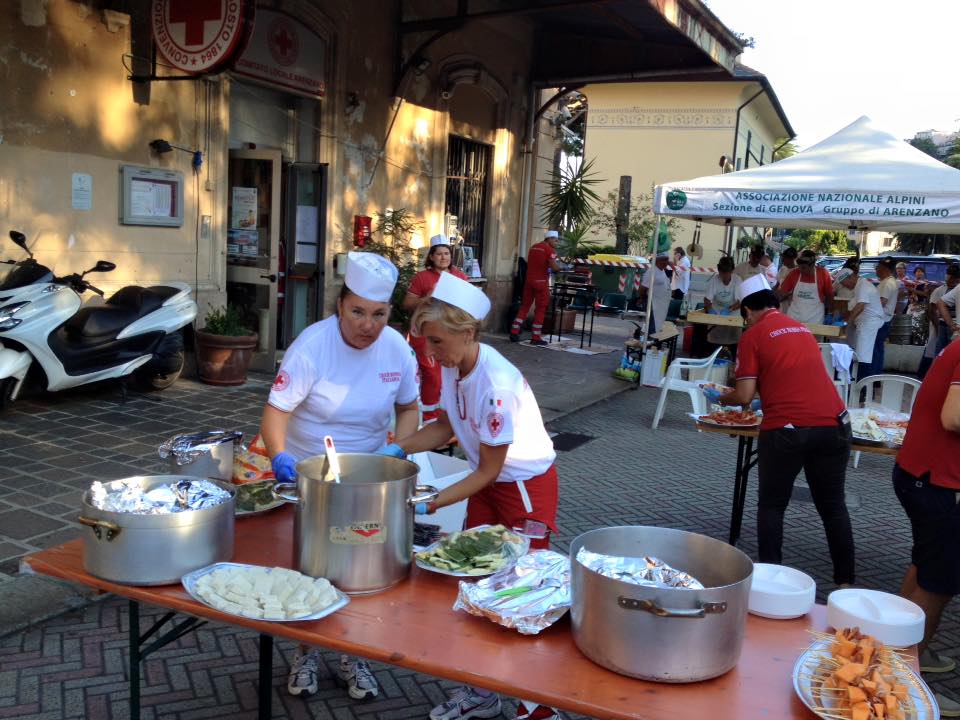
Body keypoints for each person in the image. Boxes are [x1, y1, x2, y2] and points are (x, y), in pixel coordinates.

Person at [384, 272, 560, 720]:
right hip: (490, 482)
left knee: (520, 594)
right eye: (426, 341)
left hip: (522, 489)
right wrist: (396, 447)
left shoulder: (496, 386)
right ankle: (482, 690)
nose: (431, 352)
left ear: (467, 333)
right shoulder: (453, 365)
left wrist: (432, 501)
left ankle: (536, 706)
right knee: (472, 583)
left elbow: (488, 468)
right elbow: (445, 425)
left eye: (438, 341)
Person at [261, 251, 420, 700]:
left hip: (371, 477)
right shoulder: (312, 345)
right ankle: (307, 652)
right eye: (357, 312)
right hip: (312, 474)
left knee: (364, 572)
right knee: (314, 570)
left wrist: (398, 448)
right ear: (340, 305)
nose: (367, 325)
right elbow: (275, 413)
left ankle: (358, 655)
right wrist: (280, 457)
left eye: (378, 314)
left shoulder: (396, 349)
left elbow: (410, 409)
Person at [704, 273, 855, 588]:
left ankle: (772, 580)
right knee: (833, 506)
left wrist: (720, 395)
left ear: (747, 310)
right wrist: (764, 401)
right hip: (834, 424)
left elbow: (743, 395)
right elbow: (794, 379)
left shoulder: (754, 335)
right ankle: (845, 582)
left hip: (787, 430)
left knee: (772, 505)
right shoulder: (801, 329)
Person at [893, 338, 960, 717]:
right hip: (939, 484)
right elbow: (953, 417)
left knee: (926, 566)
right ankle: (900, 683)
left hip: (922, 475)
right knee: (938, 586)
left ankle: (901, 650)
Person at [403, 234, 469, 422]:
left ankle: (448, 414)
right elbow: (407, 304)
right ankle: (429, 416)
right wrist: (427, 298)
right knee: (432, 376)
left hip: (452, 333)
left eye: (446, 253)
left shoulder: (460, 276)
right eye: (439, 253)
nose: (443, 257)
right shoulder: (422, 278)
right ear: (431, 256)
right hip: (426, 335)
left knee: (451, 373)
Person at [510, 230, 562, 346]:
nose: (557, 242)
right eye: (555, 240)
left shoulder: (533, 247)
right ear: (549, 239)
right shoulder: (549, 250)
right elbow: (554, 267)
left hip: (529, 281)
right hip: (541, 282)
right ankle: (536, 337)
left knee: (524, 306)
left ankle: (514, 331)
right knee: (541, 309)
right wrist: (561, 269)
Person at [834, 266, 885, 379]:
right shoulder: (858, 287)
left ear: (851, 277)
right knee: (860, 353)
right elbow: (854, 307)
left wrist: (846, 323)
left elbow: (860, 306)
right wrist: (843, 318)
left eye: (844, 283)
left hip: (869, 324)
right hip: (864, 323)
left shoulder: (863, 285)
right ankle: (858, 382)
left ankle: (862, 386)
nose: (844, 286)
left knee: (863, 356)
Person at [918, 264, 960, 378]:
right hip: (943, 325)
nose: (949, 278)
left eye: (952, 277)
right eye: (948, 275)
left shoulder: (956, 289)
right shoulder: (941, 290)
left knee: (947, 355)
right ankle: (933, 377)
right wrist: (939, 326)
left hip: (952, 327)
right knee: (938, 354)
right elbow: (932, 310)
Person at [776, 249, 834, 326]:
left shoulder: (823, 274)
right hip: (794, 317)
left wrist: (830, 312)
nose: (801, 270)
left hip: (815, 318)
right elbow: (782, 292)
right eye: (799, 267)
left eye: (804, 268)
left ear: (813, 265)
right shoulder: (795, 273)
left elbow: (829, 295)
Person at [702, 255, 742, 350]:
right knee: (715, 341)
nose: (724, 275)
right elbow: (707, 299)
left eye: (726, 273)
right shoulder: (714, 280)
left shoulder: (737, 280)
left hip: (733, 316)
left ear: (731, 271)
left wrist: (729, 309)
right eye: (722, 273)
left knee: (732, 342)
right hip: (717, 314)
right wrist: (710, 309)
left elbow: (740, 301)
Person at [872, 257, 900, 374]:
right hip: (883, 319)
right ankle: (876, 375)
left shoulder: (888, 283)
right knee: (878, 348)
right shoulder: (887, 282)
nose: (876, 270)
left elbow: (882, 302)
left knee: (876, 350)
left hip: (881, 320)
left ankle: (874, 374)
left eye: (877, 268)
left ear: (884, 269)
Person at [641, 252, 671, 333]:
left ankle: (653, 340)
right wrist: (642, 299)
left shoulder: (662, 271)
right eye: (664, 260)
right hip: (652, 303)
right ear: (657, 261)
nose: (666, 262)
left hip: (659, 303)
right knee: (652, 325)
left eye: (667, 260)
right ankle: (649, 342)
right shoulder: (651, 272)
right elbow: (643, 288)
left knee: (657, 324)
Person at [775, 247, 798, 314]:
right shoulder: (783, 269)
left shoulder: (797, 272)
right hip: (780, 304)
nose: (782, 260)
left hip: (790, 306)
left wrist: (780, 299)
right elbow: (777, 285)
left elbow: (793, 291)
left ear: (791, 259)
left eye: (785, 258)